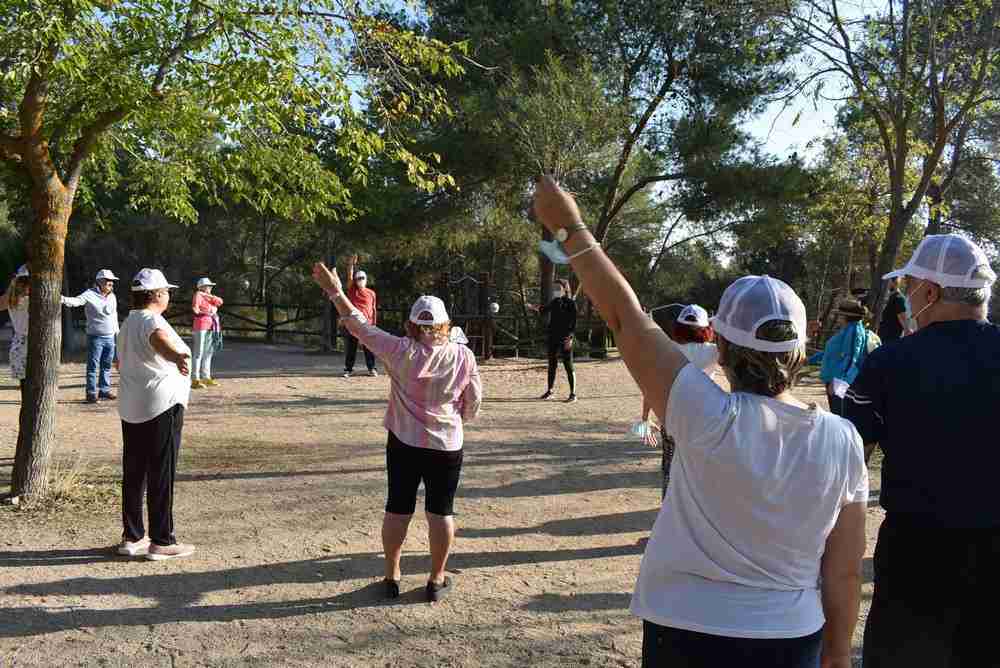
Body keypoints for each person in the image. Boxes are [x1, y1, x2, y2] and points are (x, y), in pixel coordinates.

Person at [533, 176, 867, 668]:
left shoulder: (704, 413)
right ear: (799, 351)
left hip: (684, 629)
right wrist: (837, 659)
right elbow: (843, 572)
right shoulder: (843, 439)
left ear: (723, 346)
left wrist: (570, 226)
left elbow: (626, 316)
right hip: (790, 636)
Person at [842, 234, 999, 667]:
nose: (905, 298)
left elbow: (849, 459)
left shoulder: (890, 363)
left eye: (908, 287)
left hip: (918, 557)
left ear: (930, 292)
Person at [311, 262, 482, 602]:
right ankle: (436, 579)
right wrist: (456, 417)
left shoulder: (400, 351)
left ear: (412, 325)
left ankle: (392, 576)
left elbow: (358, 325)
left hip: (403, 442)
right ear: (445, 325)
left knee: (397, 508)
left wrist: (335, 291)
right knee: (441, 511)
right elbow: (474, 402)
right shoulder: (463, 356)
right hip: (447, 444)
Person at [116, 268, 194, 560]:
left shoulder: (128, 322)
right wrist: (175, 356)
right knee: (161, 471)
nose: (169, 296)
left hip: (132, 406)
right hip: (161, 406)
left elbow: (120, 361)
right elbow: (158, 339)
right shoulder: (151, 319)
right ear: (157, 294)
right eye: (167, 291)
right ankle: (162, 540)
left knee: (134, 472)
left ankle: (132, 536)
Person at [640, 304, 720, 499]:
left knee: (670, 466)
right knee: (699, 468)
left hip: (671, 416)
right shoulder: (714, 352)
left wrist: (645, 418)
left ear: (678, 326)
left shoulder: (668, 350)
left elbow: (651, 387)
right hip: (704, 418)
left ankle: (669, 504)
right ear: (706, 328)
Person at [0, 265, 87, 387]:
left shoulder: (11, 299)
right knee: (36, 385)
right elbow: (68, 301)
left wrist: (12, 286)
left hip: (19, 346)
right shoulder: (39, 298)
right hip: (36, 345)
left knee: (27, 386)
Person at [62, 269, 120, 403]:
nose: (111, 285)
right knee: (93, 367)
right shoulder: (89, 294)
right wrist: (62, 299)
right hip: (95, 338)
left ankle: (104, 391)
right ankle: (91, 393)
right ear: (100, 282)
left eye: (112, 283)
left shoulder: (112, 296)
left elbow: (114, 316)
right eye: (108, 282)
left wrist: (117, 333)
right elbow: (76, 301)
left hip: (110, 337)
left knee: (106, 366)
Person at [818, 300, 880, 416]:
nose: (838, 318)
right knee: (837, 415)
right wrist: (810, 359)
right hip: (834, 379)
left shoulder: (854, 331)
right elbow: (830, 351)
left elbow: (852, 358)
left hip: (839, 382)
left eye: (840, 315)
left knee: (840, 417)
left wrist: (838, 382)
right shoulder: (847, 329)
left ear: (846, 316)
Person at [529, 278, 577, 402]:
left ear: (565, 289)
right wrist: (534, 307)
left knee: (568, 365)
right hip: (553, 337)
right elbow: (544, 310)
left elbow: (573, 324)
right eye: (554, 288)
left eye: (558, 288)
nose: (555, 290)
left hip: (566, 338)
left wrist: (570, 338)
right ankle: (550, 391)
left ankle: (573, 394)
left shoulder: (571, 304)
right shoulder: (555, 301)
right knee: (552, 365)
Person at [343, 254, 378, 377]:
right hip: (353, 322)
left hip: (367, 323)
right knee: (351, 346)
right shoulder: (352, 290)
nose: (360, 280)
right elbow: (349, 276)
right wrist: (351, 264)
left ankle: (372, 368)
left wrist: (374, 323)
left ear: (366, 279)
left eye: (362, 278)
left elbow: (373, 309)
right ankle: (348, 369)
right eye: (358, 278)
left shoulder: (371, 293)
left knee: (369, 347)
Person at [191, 277, 223, 389]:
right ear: (202, 287)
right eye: (208, 286)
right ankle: (195, 379)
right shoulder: (198, 295)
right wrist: (205, 312)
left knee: (208, 352)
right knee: (198, 352)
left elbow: (220, 302)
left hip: (211, 326)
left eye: (210, 286)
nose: (210, 287)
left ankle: (206, 377)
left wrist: (209, 296)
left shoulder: (210, 297)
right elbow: (195, 308)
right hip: (201, 325)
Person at [876, 277, 907, 341]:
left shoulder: (898, 298)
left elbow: (901, 316)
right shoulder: (891, 297)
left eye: (889, 282)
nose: (887, 284)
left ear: (894, 283)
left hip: (891, 337)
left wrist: (907, 330)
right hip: (884, 335)